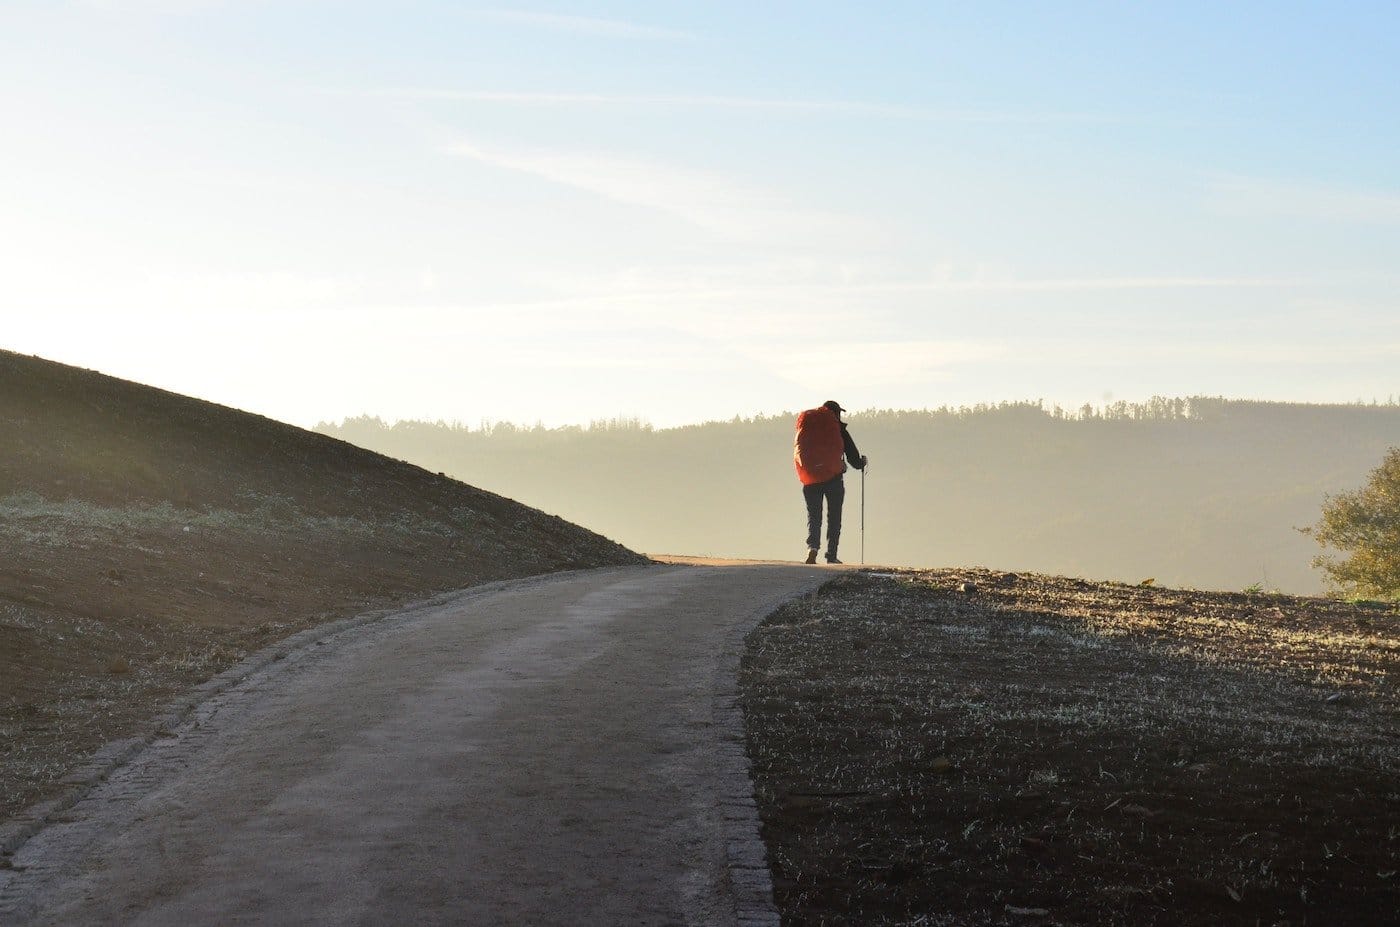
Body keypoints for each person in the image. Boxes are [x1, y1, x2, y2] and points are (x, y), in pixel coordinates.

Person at [798, 400, 867, 564]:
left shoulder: (808, 428)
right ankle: (831, 555)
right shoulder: (837, 429)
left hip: (811, 479)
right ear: (835, 413)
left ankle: (812, 548)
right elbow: (852, 456)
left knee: (814, 516)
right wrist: (861, 462)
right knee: (834, 517)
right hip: (833, 480)